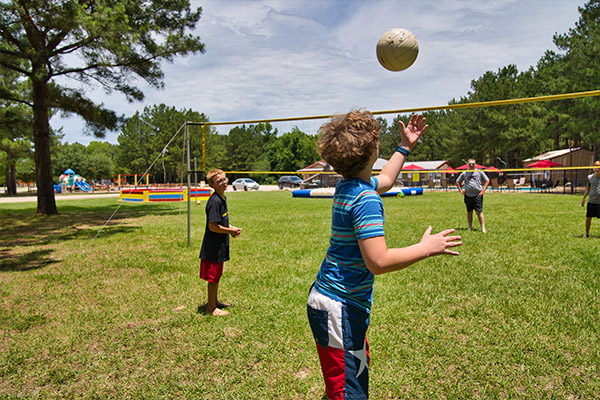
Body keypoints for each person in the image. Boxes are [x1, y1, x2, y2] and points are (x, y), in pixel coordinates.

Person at [306, 110, 462, 400]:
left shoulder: (350, 185)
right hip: (339, 307)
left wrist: (405, 146)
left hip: (332, 301)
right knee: (348, 393)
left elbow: (388, 178)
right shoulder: (365, 199)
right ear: (372, 151)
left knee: (343, 386)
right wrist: (425, 248)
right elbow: (378, 261)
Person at [199, 169, 242, 316]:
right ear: (212, 185)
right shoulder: (214, 201)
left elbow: (221, 222)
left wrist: (231, 227)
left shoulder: (222, 198)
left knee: (217, 275)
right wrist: (229, 231)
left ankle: (215, 301)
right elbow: (213, 226)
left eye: (224, 179)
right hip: (213, 246)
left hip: (220, 244)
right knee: (213, 277)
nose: (224, 183)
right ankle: (211, 308)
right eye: (219, 181)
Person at [456, 159, 490, 233]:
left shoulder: (480, 172)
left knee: (479, 212)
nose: (471, 165)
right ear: (468, 165)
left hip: (477, 195)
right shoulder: (465, 173)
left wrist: (483, 190)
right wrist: (460, 190)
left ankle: (483, 228)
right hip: (468, 195)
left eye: (473, 164)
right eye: (470, 164)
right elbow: (458, 181)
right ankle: (470, 227)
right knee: (469, 211)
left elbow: (487, 180)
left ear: (475, 164)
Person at [581, 160, 600, 238]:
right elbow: (587, 189)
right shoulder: (590, 177)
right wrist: (583, 198)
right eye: (596, 167)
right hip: (591, 201)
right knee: (588, 217)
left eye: (599, 167)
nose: (597, 169)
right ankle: (586, 233)